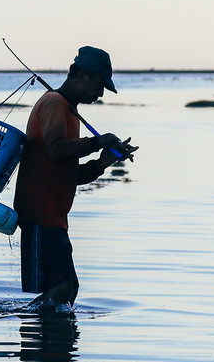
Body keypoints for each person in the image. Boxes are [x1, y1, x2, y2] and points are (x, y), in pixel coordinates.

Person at [14, 46, 137, 313]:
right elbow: (56, 149)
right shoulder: (54, 103)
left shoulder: (69, 112)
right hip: (39, 213)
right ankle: (29, 330)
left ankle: (46, 343)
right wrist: (97, 141)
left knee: (66, 287)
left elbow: (70, 175)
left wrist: (104, 161)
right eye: (99, 84)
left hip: (53, 217)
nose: (100, 93)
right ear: (79, 74)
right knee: (63, 287)